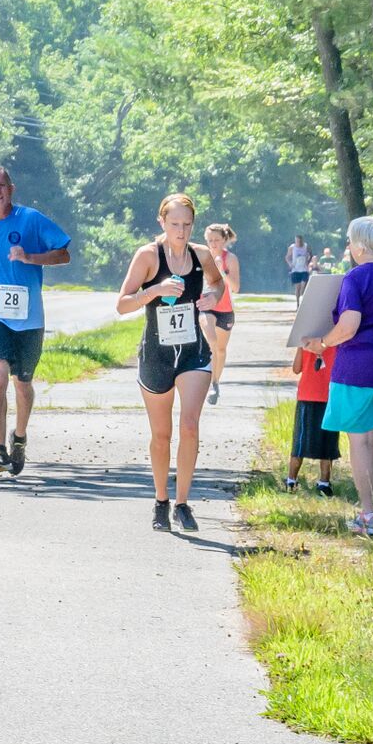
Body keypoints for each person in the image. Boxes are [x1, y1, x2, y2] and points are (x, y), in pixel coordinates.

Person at [301, 216, 373, 538]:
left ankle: (368, 515)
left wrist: (322, 343)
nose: (349, 247)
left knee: (362, 440)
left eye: (350, 242)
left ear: (361, 246)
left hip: (359, 367)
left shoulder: (355, 278)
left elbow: (349, 325)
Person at [115, 193, 224, 533]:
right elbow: (121, 305)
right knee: (161, 435)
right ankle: (161, 500)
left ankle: (183, 503)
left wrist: (213, 295)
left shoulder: (201, 254)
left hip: (193, 351)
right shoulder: (148, 256)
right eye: (175, 224)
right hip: (156, 354)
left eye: (187, 224)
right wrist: (154, 290)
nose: (181, 231)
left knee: (189, 425)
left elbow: (218, 283)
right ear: (161, 222)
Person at [0, 165, 71, 476]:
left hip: (29, 319)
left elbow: (63, 254)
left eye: (2, 185)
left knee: (23, 383)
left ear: (11, 188)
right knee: (0, 375)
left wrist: (31, 257)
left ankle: (18, 437)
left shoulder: (31, 219)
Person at [286, 343, 339, 496]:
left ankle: (291, 480)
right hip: (329, 395)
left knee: (300, 441)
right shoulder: (337, 341)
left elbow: (296, 369)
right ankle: (324, 482)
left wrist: (300, 347)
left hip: (307, 394)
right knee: (328, 442)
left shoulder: (306, 341)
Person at [202, 222, 240, 406]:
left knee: (221, 349)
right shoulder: (202, 256)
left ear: (224, 240)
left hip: (225, 309)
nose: (213, 244)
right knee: (212, 342)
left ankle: (216, 381)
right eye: (210, 240)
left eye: (216, 240)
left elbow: (236, 287)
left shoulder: (230, 259)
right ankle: (209, 383)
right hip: (206, 306)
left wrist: (222, 272)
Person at [286, 235, 312, 304]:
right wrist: (290, 264)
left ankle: (302, 295)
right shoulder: (292, 247)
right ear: (295, 241)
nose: (298, 242)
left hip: (304, 269)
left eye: (300, 241)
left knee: (303, 284)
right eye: (297, 241)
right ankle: (298, 303)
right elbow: (287, 257)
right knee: (297, 287)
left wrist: (308, 262)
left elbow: (311, 254)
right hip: (295, 269)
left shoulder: (306, 246)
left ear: (302, 240)